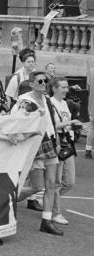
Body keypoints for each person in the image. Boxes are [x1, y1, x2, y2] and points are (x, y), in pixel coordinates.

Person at [13, 71, 63, 235]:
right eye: (40, 81)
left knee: (51, 183)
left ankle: (46, 221)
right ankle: (9, 200)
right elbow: (17, 121)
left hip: (49, 141)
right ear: (32, 83)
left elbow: (51, 122)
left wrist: (56, 140)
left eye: (45, 81)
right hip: (35, 143)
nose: (43, 83)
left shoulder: (47, 99)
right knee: (37, 186)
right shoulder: (25, 101)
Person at [49, 77, 81, 225]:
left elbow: (65, 124)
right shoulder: (50, 103)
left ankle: (48, 200)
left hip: (68, 145)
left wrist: (75, 126)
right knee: (56, 182)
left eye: (67, 87)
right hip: (57, 145)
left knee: (69, 182)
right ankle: (55, 212)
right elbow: (53, 126)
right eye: (63, 87)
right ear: (54, 88)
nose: (66, 90)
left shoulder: (64, 104)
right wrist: (70, 122)